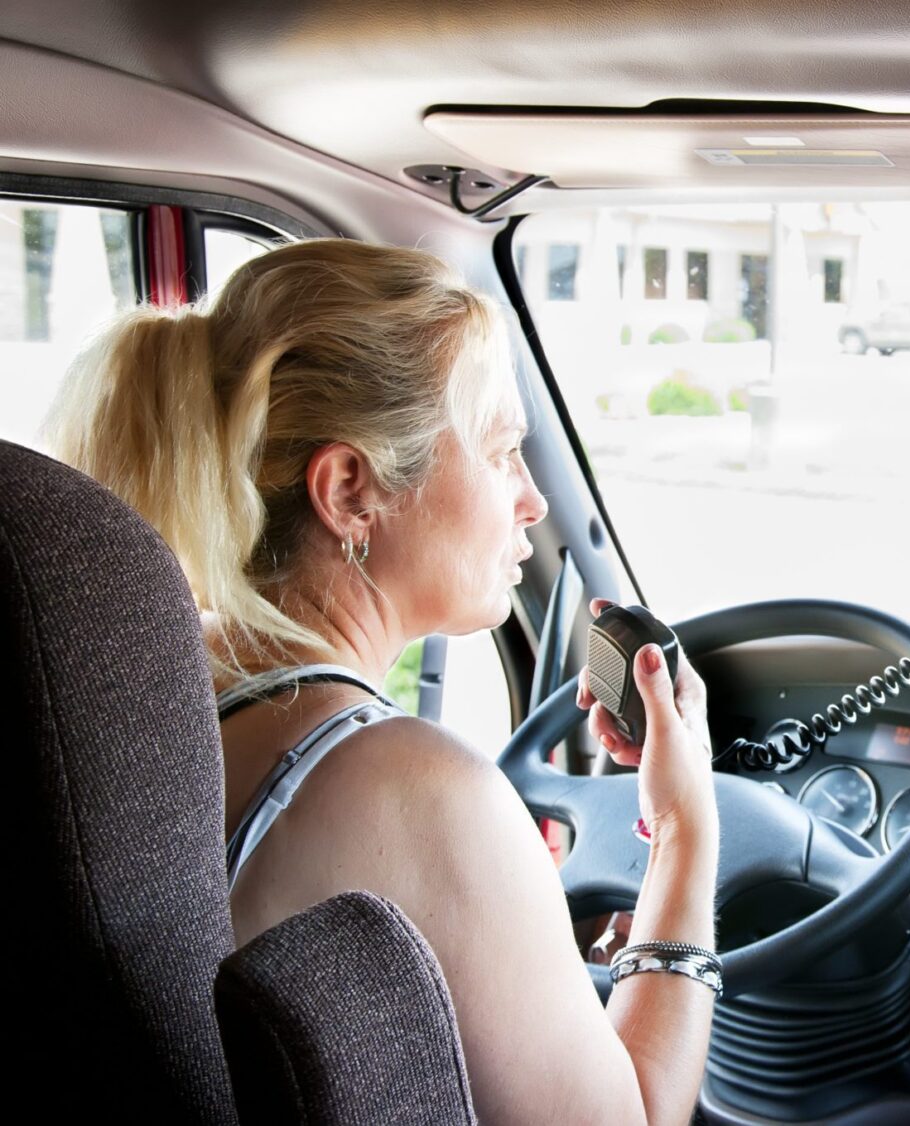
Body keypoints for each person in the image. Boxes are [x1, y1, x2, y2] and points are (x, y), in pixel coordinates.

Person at [48, 239, 720, 1125]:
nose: (533, 500)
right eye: (501, 450)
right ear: (351, 491)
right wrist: (684, 832)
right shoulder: (420, 790)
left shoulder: (149, 675)